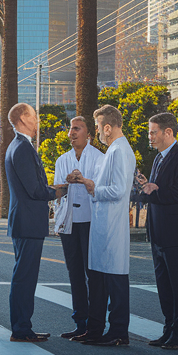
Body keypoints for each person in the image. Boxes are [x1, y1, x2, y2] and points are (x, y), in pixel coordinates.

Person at [68, 104, 137, 346]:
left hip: (112, 226)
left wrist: (92, 187)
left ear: (107, 127)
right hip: (102, 225)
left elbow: (119, 190)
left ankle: (118, 332)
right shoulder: (113, 150)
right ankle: (95, 329)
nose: (97, 132)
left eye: (98, 127)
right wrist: (91, 184)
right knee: (98, 280)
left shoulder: (120, 151)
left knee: (115, 281)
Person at [134, 112, 178, 349]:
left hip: (176, 232)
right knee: (164, 285)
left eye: (153, 132)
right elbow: (154, 192)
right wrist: (145, 188)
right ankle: (169, 328)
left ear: (168, 132)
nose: (149, 136)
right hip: (158, 232)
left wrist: (154, 191)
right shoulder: (158, 159)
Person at [5, 102, 68, 342]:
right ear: (22, 119)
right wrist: (57, 192)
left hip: (24, 221)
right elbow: (34, 189)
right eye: (33, 116)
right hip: (27, 222)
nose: (37, 120)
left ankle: (22, 326)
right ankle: (21, 329)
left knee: (23, 276)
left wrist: (53, 189)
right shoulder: (22, 148)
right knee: (25, 278)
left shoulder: (19, 146)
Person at [52, 115, 104, 340]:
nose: (72, 133)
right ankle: (80, 321)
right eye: (70, 129)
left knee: (93, 273)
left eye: (77, 129)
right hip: (69, 223)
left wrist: (83, 180)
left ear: (89, 134)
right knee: (74, 273)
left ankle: (95, 324)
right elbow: (56, 190)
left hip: (92, 221)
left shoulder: (100, 158)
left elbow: (103, 189)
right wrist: (64, 184)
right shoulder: (62, 159)